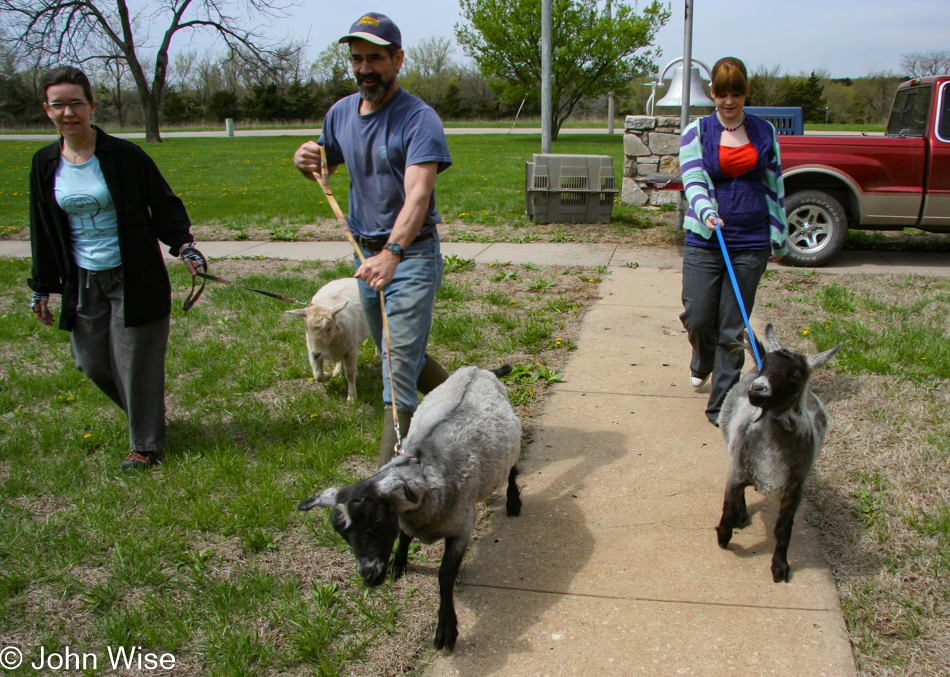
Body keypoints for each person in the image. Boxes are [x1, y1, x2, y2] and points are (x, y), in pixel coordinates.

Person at [292, 12, 453, 467]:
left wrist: (392, 253)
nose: (364, 69)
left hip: (410, 254)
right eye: (357, 59)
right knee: (394, 353)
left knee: (394, 369)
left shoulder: (418, 119)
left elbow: (418, 195)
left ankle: (390, 489)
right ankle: (466, 406)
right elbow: (324, 165)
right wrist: (305, 159)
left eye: (375, 59)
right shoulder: (341, 112)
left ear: (397, 59)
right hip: (368, 256)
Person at [28, 66, 204, 470]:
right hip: (83, 277)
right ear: (47, 110)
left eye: (76, 103)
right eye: (59, 105)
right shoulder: (44, 163)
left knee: (135, 362)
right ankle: (148, 418)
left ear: (91, 106)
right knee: (90, 361)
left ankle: (144, 445)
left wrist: (185, 247)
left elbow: (162, 205)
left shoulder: (124, 156)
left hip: (133, 274)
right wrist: (42, 285)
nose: (68, 112)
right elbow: (42, 226)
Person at [678, 56, 787, 426]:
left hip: (751, 238)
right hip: (707, 237)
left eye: (736, 94)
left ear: (745, 93)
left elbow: (775, 183)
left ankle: (721, 405)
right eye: (722, 94)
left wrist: (778, 231)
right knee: (698, 316)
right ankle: (701, 358)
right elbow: (692, 177)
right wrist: (706, 210)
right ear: (712, 93)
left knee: (731, 326)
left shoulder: (763, 131)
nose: (728, 101)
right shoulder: (698, 131)